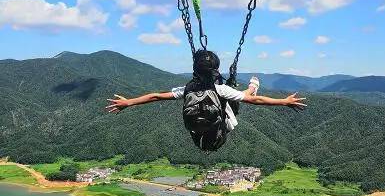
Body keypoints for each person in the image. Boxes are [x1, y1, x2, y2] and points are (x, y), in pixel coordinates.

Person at [106, 50, 306, 149]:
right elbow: (256, 101)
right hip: (221, 130)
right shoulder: (219, 88)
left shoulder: (187, 89)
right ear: (215, 71)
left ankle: (250, 88)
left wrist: (128, 103)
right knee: (244, 96)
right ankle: (252, 86)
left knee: (236, 95)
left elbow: (156, 96)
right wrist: (284, 102)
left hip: (198, 136)